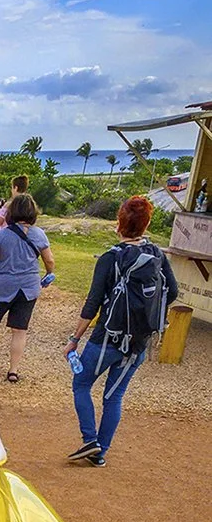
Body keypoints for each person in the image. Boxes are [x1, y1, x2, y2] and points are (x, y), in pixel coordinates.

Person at [65, 195, 178, 466]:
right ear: (147, 223)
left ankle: (90, 440)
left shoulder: (110, 258)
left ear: (119, 223)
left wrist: (74, 339)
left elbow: (92, 303)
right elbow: (171, 292)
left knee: (81, 384)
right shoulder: (157, 255)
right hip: (138, 343)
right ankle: (99, 453)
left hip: (107, 339)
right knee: (114, 396)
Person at [0, 192, 55, 382]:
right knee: (20, 330)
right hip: (29, 287)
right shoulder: (39, 234)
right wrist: (47, 275)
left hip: (3, 286)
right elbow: (49, 260)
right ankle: (13, 370)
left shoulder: (2, 235)